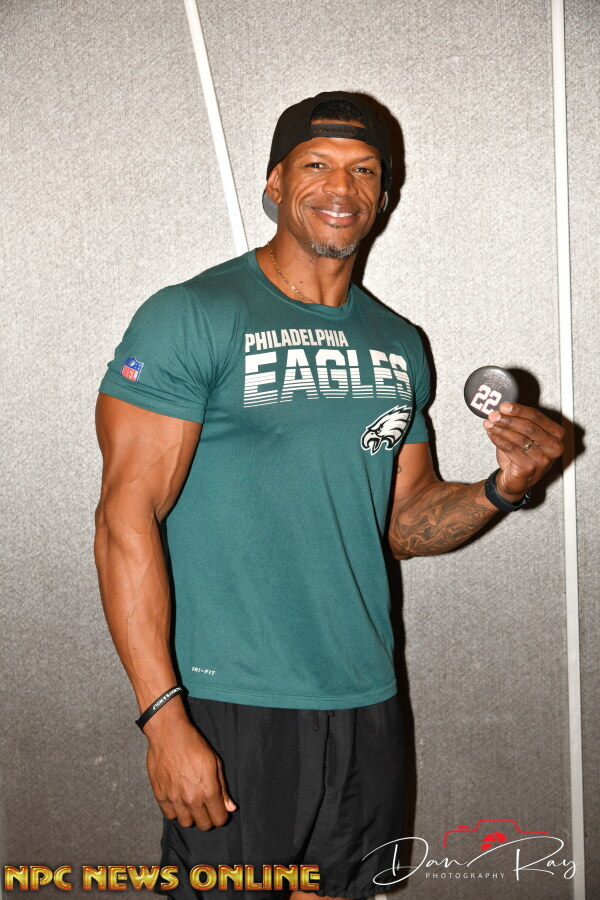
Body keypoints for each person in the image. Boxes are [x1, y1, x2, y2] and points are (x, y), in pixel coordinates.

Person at [94, 91, 564, 899]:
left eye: (364, 170)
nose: (340, 187)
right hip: (232, 699)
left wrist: (503, 488)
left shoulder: (398, 344)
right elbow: (122, 519)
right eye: (316, 164)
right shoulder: (193, 316)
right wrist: (164, 717)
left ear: (384, 195)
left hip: (365, 695)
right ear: (275, 183)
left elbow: (406, 522)